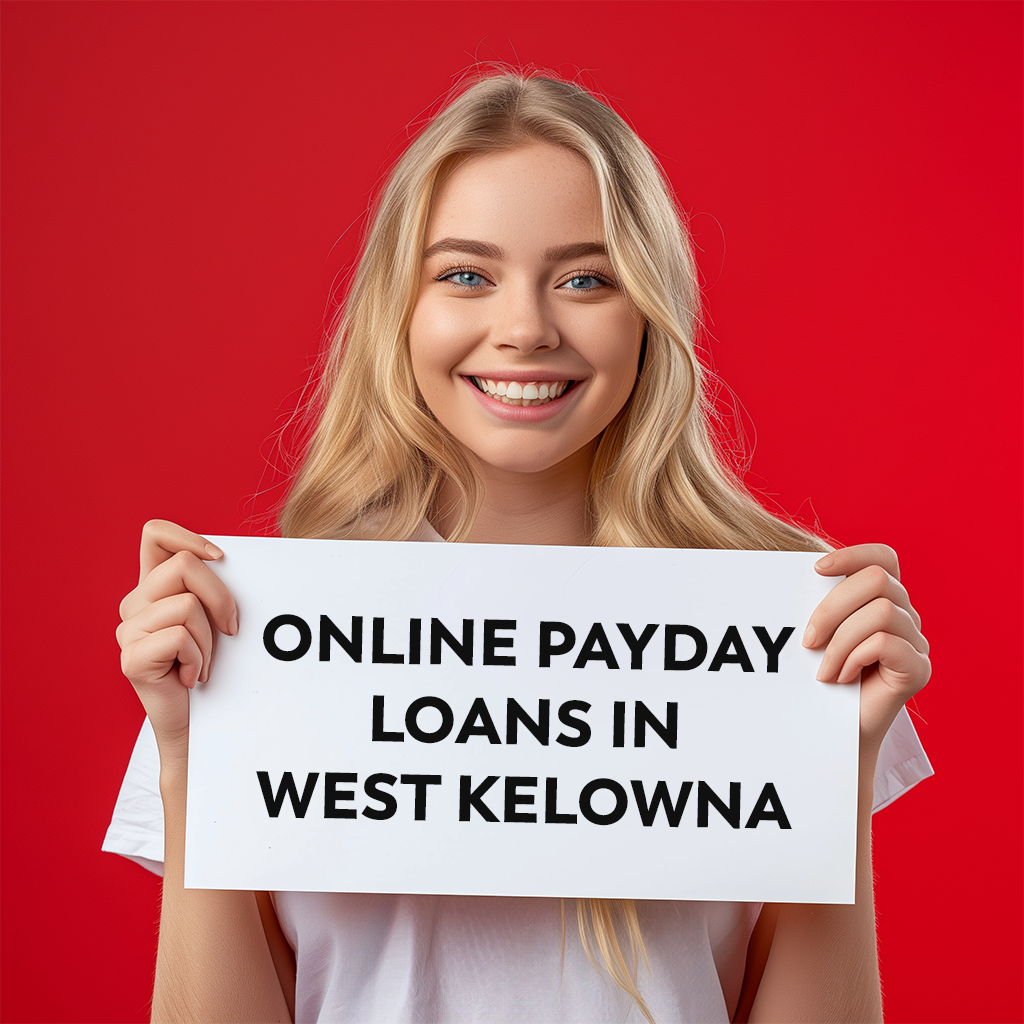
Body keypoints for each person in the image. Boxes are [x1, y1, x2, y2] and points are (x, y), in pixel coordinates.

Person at [105, 72, 933, 1024]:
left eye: (587, 278)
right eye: (466, 274)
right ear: (399, 309)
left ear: (649, 311)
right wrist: (191, 762)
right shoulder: (256, 632)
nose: (527, 329)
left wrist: (835, 762)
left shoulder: (789, 627)